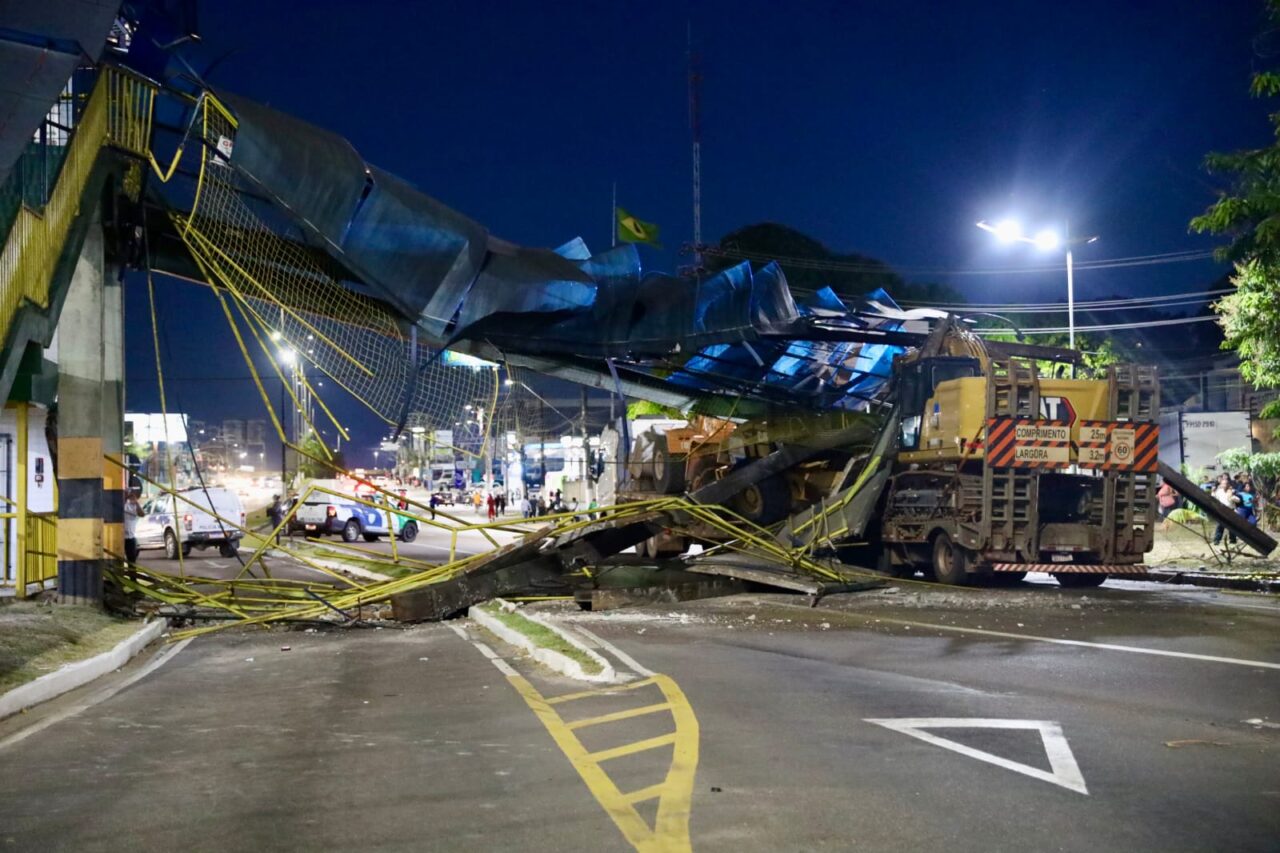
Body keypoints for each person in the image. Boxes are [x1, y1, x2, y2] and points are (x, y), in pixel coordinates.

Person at [1211, 473, 1240, 545]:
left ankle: (1232, 540)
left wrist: (1232, 497)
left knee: (1232, 526)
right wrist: (1213, 491)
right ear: (1221, 485)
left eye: (1226, 484)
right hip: (1222, 511)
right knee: (1220, 526)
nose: (1225, 485)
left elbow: (1238, 500)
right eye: (1223, 484)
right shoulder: (1219, 491)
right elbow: (1214, 497)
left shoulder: (1232, 491)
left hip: (1231, 510)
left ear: (1228, 484)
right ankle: (1216, 540)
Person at [123, 490, 141, 566]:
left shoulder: (132, 506)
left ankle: (132, 577)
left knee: (132, 562)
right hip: (120, 537)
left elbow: (142, 514)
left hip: (130, 538)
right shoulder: (123, 504)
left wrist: (136, 502)